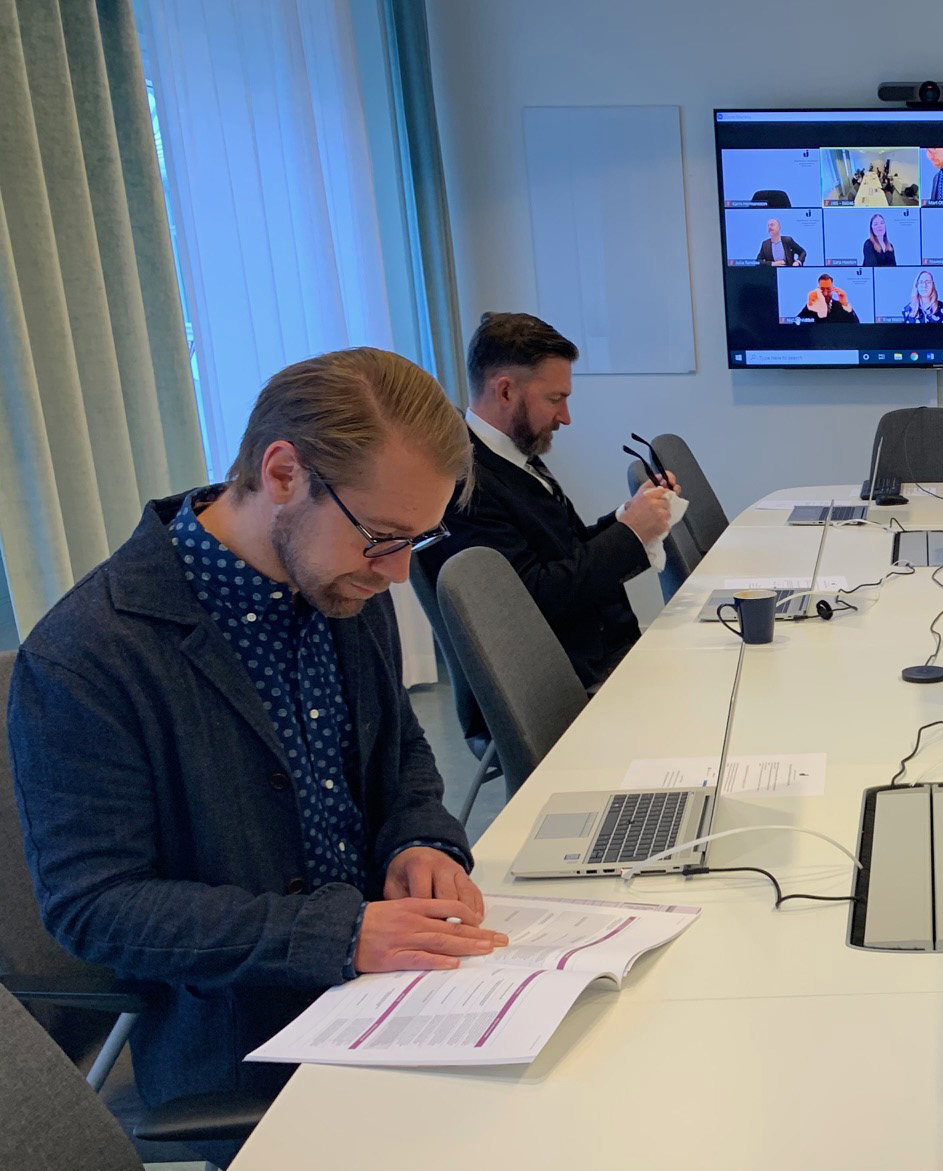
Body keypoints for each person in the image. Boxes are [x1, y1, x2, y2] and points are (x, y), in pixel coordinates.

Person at [9, 348, 510, 1119]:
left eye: (418, 540)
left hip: (402, 993)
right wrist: (337, 935)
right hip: (247, 1046)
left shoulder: (344, 577)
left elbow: (400, 748)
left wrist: (422, 840)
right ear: (283, 474)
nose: (400, 573)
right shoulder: (90, 654)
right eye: (382, 537)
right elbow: (95, 906)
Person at [417, 312, 680, 689]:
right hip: (564, 684)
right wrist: (629, 533)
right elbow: (531, 599)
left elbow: (564, 554)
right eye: (555, 399)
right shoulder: (463, 484)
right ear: (505, 391)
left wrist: (630, 517)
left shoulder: (514, 453)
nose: (566, 417)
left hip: (606, 656)